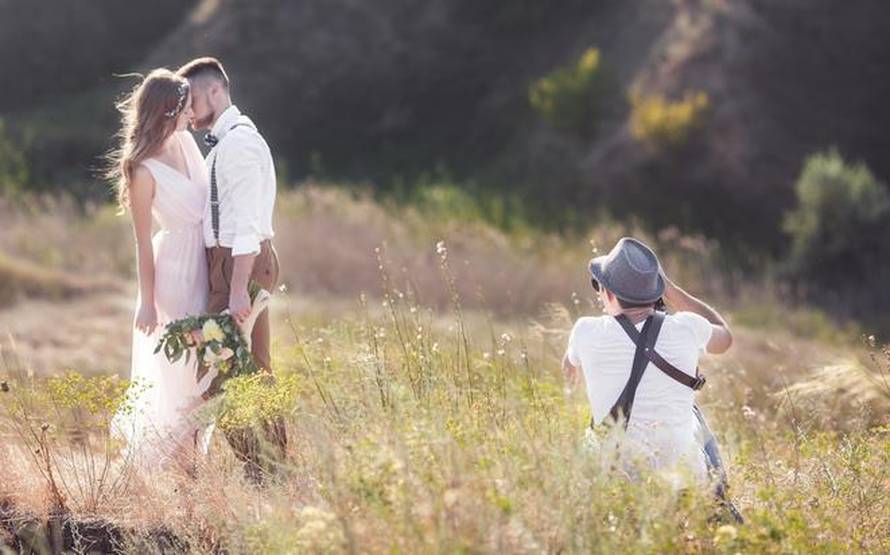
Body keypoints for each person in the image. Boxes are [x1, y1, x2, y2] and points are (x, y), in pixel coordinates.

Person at [176, 57, 286, 483]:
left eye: (192, 100)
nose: (188, 111)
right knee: (253, 367)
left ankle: (262, 469)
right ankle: (270, 468)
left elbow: (244, 223)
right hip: (238, 262)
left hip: (239, 263)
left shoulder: (238, 144)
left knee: (219, 371)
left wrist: (237, 288)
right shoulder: (229, 142)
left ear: (215, 92)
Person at [563, 237, 733, 482]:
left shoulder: (585, 330)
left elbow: (568, 369)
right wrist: (671, 290)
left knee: (591, 439)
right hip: (683, 481)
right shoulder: (688, 327)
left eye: (598, 285)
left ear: (609, 293)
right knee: (693, 413)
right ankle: (719, 496)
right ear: (657, 292)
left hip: (611, 478)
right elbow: (724, 336)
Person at [108, 69, 211, 467]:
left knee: (208, 363)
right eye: (186, 108)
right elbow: (141, 242)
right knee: (182, 369)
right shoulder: (142, 169)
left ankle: (195, 464)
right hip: (174, 270)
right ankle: (181, 469)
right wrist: (146, 302)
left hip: (205, 259)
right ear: (169, 111)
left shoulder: (186, 143)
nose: (192, 116)